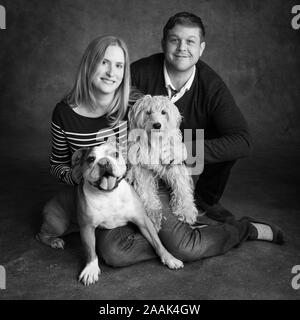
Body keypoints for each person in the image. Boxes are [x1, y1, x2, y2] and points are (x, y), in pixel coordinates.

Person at [48, 33, 284, 271]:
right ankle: (176, 236)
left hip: (145, 179)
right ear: (89, 64)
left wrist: (180, 151)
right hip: (102, 195)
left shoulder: (133, 102)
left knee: (186, 248)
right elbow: (57, 164)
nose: (112, 72)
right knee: (114, 254)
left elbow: (167, 122)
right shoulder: (64, 113)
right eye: (104, 63)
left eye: (119, 65)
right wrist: (77, 176)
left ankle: (243, 229)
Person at [130, 12, 252, 221]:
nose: (182, 48)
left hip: (187, 155)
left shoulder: (212, 86)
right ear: (163, 43)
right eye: (174, 40)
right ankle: (147, 194)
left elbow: (243, 140)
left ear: (201, 48)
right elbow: (110, 100)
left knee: (225, 137)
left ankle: (205, 197)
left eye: (190, 42)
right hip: (142, 155)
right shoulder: (140, 71)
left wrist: (186, 150)